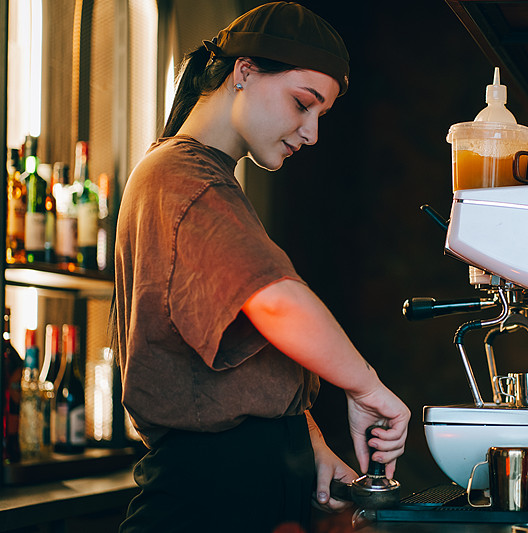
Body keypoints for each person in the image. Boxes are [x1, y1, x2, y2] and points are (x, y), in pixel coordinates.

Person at [111, 3, 411, 531]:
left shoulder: (207, 180)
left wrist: (305, 441)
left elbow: (236, 362)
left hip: (243, 483)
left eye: (321, 114)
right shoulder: (184, 178)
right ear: (244, 72)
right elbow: (272, 299)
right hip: (209, 497)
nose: (312, 132)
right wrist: (366, 387)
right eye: (303, 104)